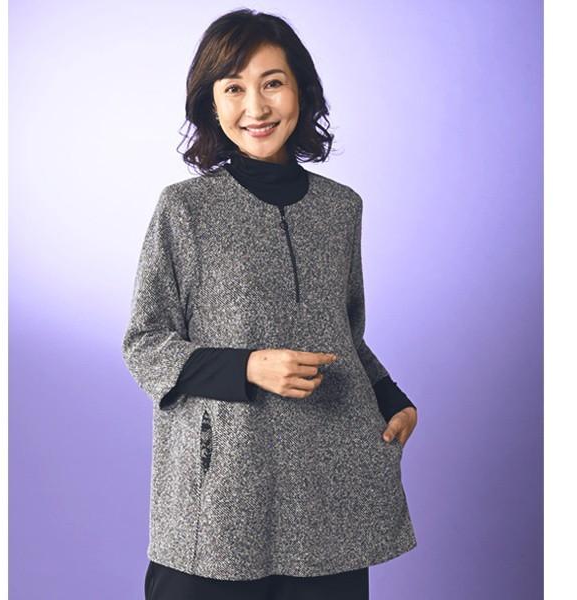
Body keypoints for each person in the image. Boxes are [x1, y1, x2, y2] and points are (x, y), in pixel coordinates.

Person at [121, 8, 418, 600]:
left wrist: (392, 398)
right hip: (223, 488)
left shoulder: (341, 209)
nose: (255, 107)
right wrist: (248, 366)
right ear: (211, 104)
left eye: (272, 83)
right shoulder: (185, 208)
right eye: (233, 88)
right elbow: (144, 343)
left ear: (301, 91)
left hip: (331, 486)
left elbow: (344, 331)